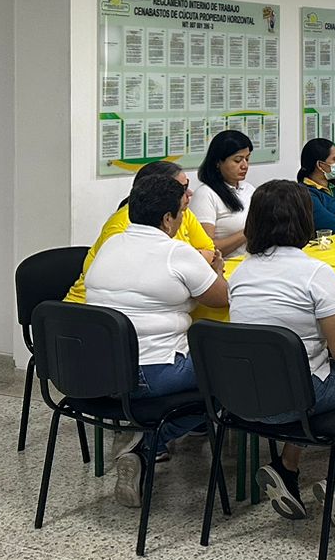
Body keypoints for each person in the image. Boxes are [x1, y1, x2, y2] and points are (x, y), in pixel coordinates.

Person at [229, 180, 335, 534]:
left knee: (304, 379)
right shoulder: (315, 273)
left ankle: (287, 466)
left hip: (244, 398)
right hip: (297, 399)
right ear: (304, 220)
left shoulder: (240, 273)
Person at [84, 171, 230, 507]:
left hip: (99, 374)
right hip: (152, 374)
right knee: (233, 375)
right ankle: (150, 441)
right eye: (182, 212)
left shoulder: (110, 244)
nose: (183, 219)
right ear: (167, 218)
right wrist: (217, 271)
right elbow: (221, 298)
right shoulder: (176, 253)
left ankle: (139, 440)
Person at [65, 160, 215, 303]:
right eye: (182, 188)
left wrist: (188, 262)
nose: (190, 192)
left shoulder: (183, 212)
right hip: (96, 306)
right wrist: (189, 263)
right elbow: (126, 278)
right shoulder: (122, 225)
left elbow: (209, 249)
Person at [190, 129, 256, 255]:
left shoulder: (249, 189)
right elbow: (207, 249)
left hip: (253, 260)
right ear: (218, 162)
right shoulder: (206, 194)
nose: (245, 166)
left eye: (247, 159)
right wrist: (248, 232)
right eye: (238, 160)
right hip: (226, 264)